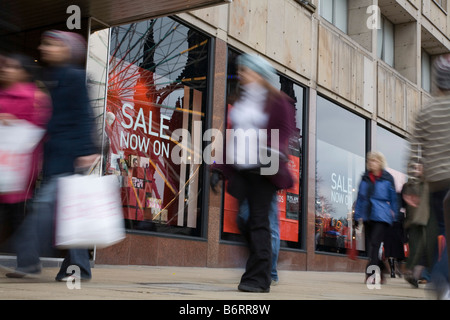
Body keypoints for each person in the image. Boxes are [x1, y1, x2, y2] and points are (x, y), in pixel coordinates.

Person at [5, 30, 99, 281]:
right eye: (43, 43)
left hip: (69, 156)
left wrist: (87, 150)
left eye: (50, 44)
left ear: (66, 49)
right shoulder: (49, 78)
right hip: (54, 155)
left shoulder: (74, 77)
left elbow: (84, 114)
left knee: (43, 209)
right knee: (67, 214)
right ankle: (78, 268)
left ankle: (28, 262)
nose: (43, 48)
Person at [211, 53, 295, 293]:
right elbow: (231, 138)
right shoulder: (241, 100)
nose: (242, 75)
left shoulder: (278, 101)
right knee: (243, 221)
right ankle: (260, 268)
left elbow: (284, 132)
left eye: (246, 71)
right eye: (241, 71)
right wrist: (218, 168)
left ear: (258, 74)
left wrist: (269, 152)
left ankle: (259, 278)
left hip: (265, 169)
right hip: (243, 169)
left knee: (258, 221)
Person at [409, 53, 450, 299]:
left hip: (435, 183)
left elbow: (414, 149)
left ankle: (441, 279)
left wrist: (413, 185)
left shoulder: (425, 111)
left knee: (440, 231)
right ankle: (439, 279)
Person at [0, 53, 50, 251]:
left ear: (23, 72)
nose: (6, 69)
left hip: (18, 167)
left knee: (15, 213)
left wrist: (12, 122)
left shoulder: (34, 97)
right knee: (12, 213)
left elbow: (40, 130)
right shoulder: (4, 94)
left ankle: (27, 259)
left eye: (12, 67)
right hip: (6, 164)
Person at [354, 151, 398, 285]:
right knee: (371, 247)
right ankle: (382, 268)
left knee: (374, 244)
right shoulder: (365, 178)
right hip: (368, 216)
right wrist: (357, 216)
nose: (372, 163)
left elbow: (394, 199)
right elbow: (360, 199)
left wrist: (395, 216)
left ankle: (371, 274)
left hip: (381, 216)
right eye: (370, 161)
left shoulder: (387, 178)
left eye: (375, 161)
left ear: (380, 162)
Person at [237, 194, 280, 285]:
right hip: (249, 185)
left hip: (268, 186)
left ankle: (271, 273)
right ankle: (258, 267)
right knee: (243, 218)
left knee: (271, 229)